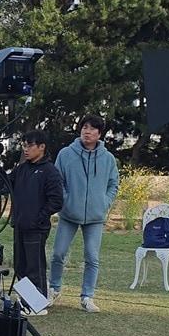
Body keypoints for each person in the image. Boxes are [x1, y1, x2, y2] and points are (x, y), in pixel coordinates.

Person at [49, 114, 120, 312]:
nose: (87, 131)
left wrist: (105, 202)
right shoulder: (66, 154)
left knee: (92, 257)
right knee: (58, 253)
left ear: (99, 133)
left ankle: (87, 296)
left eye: (91, 128)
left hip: (96, 216)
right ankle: (54, 288)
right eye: (84, 127)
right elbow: (57, 180)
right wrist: (65, 200)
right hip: (69, 214)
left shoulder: (108, 158)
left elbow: (114, 183)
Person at [8, 129, 63, 312]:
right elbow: (6, 184)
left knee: (34, 266)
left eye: (30, 145)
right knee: (20, 265)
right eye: (24, 145)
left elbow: (56, 201)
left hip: (36, 228)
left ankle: (38, 303)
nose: (26, 149)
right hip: (20, 225)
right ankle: (27, 301)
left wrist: (39, 217)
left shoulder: (50, 171)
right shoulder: (21, 169)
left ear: (41, 147)